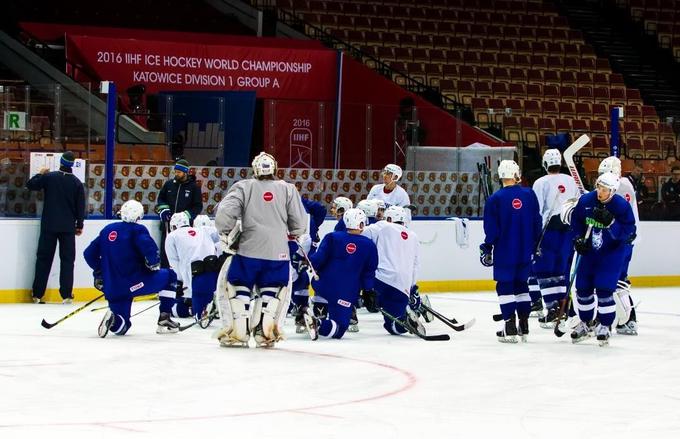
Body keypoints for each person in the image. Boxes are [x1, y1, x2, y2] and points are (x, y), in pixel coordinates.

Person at [213, 152, 307, 348]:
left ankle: (238, 333)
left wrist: (225, 231)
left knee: (239, 288)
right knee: (271, 293)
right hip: (278, 253)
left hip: (248, 250)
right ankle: (265, 334)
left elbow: (224, 212)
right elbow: (299, 223)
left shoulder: (244, 187)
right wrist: (295, 232)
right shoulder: (288, 189)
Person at [83, 200, 181, 337]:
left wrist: (100, 274)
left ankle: (114, 320)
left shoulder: (107, 230)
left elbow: (88, 254)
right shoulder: (137, 230)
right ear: (139, 216)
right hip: (137, 282)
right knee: (170, 275)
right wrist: (153, 264)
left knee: (122, 327)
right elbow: (151, 253)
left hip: (113, 288)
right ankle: (164, 319)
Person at [569, 172, 636, 346]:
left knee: (605, 290)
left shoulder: (621, 206)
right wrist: (577, 239)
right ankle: (585, 322)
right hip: (589, 253)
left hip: (611, 254)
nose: (600, 192)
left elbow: (629, 230)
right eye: (599, 187)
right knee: (583, 289)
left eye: (605, 189)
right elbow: (576, 222)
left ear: (612, 191)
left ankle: (605, 325)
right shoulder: (586, 201)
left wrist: (612, 223)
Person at [480, 160, 542, 343]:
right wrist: (536, 244)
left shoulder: (495, 199)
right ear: (516, 174)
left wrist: (487, 246)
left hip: (505, 250)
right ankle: (524, 325)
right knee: (522, 285)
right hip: (526, 249)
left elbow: (491, 229)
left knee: (505, 286)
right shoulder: (529, 194)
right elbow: (537, 221)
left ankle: (510, 326)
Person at [304, 208, 378, 340]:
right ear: (361, 224)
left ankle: (318, 308)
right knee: (339, 328)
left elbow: (317, 260)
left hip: (323, 285)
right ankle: (319, 324)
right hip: (344, 293)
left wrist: (308, 258)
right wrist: (368, 290)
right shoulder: (369, 245)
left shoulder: (332, 237)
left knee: (323, 292)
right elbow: (368, 272)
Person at [26, 151, 85, 304]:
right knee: (67, 260)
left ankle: (37, 294)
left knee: (44, 259)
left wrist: (40, 174)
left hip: (49, 225)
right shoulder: (77, 183)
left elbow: (31, 185)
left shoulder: (49, 177)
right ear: (72, 164)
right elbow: (80, 206)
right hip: (67, 227)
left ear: (61, 162)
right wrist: (79, 225)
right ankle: (66, 294)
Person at [530, 149, 579, 326]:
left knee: (544, 270)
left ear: (545, 163)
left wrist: (533, 234)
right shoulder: (571, 180)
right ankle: (563, 308)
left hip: (548, 230)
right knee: (561, 271)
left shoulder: (540, 182)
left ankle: (551, 308)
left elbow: (536, 210)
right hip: (569, 230)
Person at [361, 205, 422, 336]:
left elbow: (358, 233)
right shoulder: (414, 236)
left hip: (381, 279)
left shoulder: (382, 226)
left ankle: (351, 310)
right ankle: (406, 318)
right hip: (403, 285)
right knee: (394, 325)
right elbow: (415, 265)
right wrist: (412, 288)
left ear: (388, 218)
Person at [597, 157, 640, 336]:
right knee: (609, 279)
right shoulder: (616, 184)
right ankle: (609, 318)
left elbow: (618, 212)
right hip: (615, 238)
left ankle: (629, 320)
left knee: (619, 279)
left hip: (623, 240)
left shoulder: (623, 185)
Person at [165, 212, 222, 325]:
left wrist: (178, 283)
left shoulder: (172, 236)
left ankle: (198, 310)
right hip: (214, 274)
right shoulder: (203, 230)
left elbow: (174, 262)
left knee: (177, 310)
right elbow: (220, 236)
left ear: (174, 225)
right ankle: (213, 304)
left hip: (194, 279)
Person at [155, 158, 203, 267]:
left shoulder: (194, 187)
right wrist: (163, 209)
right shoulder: (169, 184)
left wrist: (186, 215)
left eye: (179, 172)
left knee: (182, 254)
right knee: (166, 252)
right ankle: (166, 275)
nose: (176, 174)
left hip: (184, 229)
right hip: (168, 226)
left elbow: (198, 206)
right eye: (175, 172)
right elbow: (161, 199)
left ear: (185, 172)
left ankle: (181, 280)